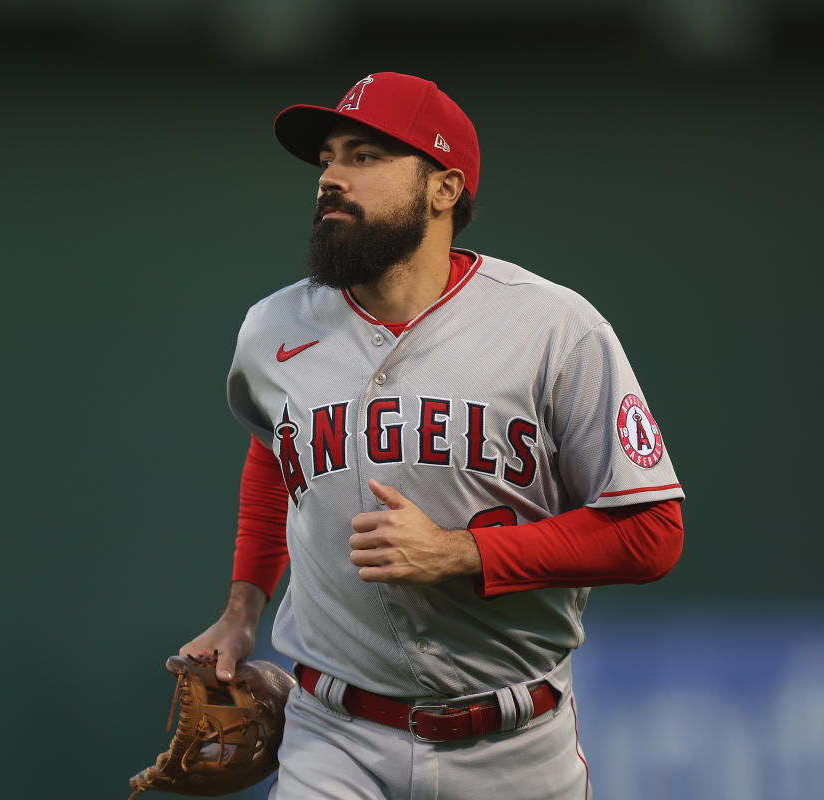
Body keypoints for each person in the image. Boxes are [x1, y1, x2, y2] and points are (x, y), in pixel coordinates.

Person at [179, 71, 685, 800]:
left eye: (365, 156)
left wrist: (460, 551)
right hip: (334, 734)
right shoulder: (273, 331)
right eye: (327, 157)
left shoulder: (554, 330)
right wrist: (242, 610)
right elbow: (274, 449)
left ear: (444, 188)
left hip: (513, 744)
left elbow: (652, 534)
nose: (331, 177)